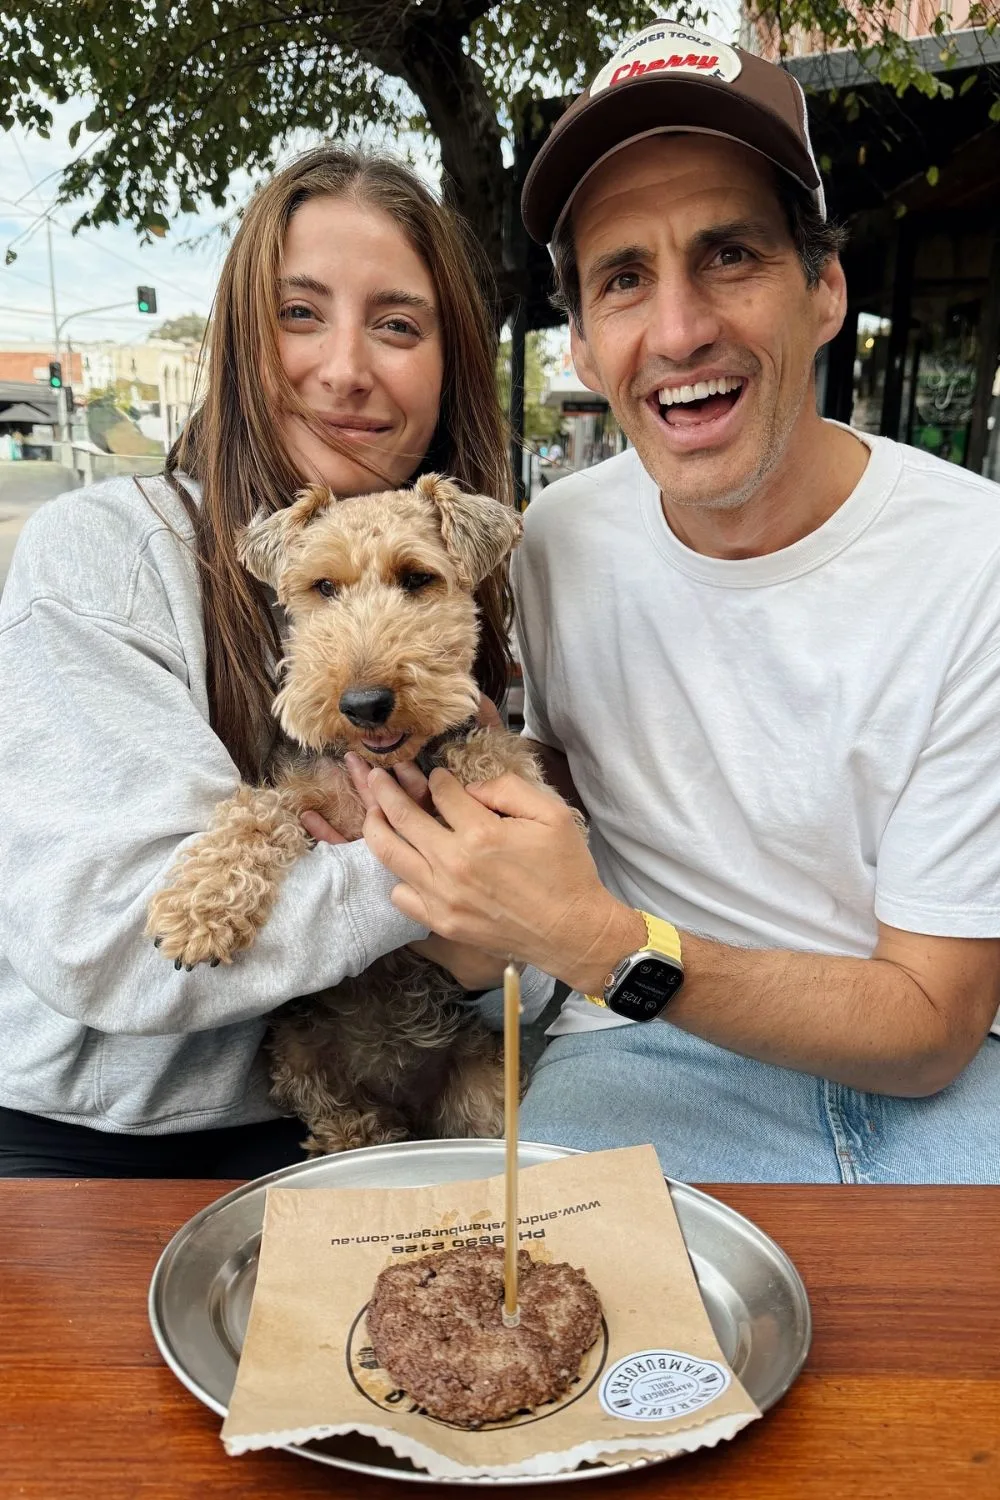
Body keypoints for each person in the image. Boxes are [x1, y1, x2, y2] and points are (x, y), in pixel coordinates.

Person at [352, 22, 1000, 1184]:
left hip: (930, 1080)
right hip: (635, 1053)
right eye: (622, 279)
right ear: (583, 346)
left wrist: (602, 943)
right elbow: (546, 789)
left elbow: (930, 1028)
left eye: (730, 255)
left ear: (824, 290)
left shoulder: (973, 562)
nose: (679, 330)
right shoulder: (556, 542)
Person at [0, 145, 550, 1179]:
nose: (344, 369)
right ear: (239, 340)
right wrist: (445, 889)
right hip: (101, 1142)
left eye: (397, 324)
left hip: (415, 1094)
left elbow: (536, 924)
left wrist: (507, 936)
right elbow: (109, 940)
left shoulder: (480, 564)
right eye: (299, 313)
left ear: (451, 362)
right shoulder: (104, 552)